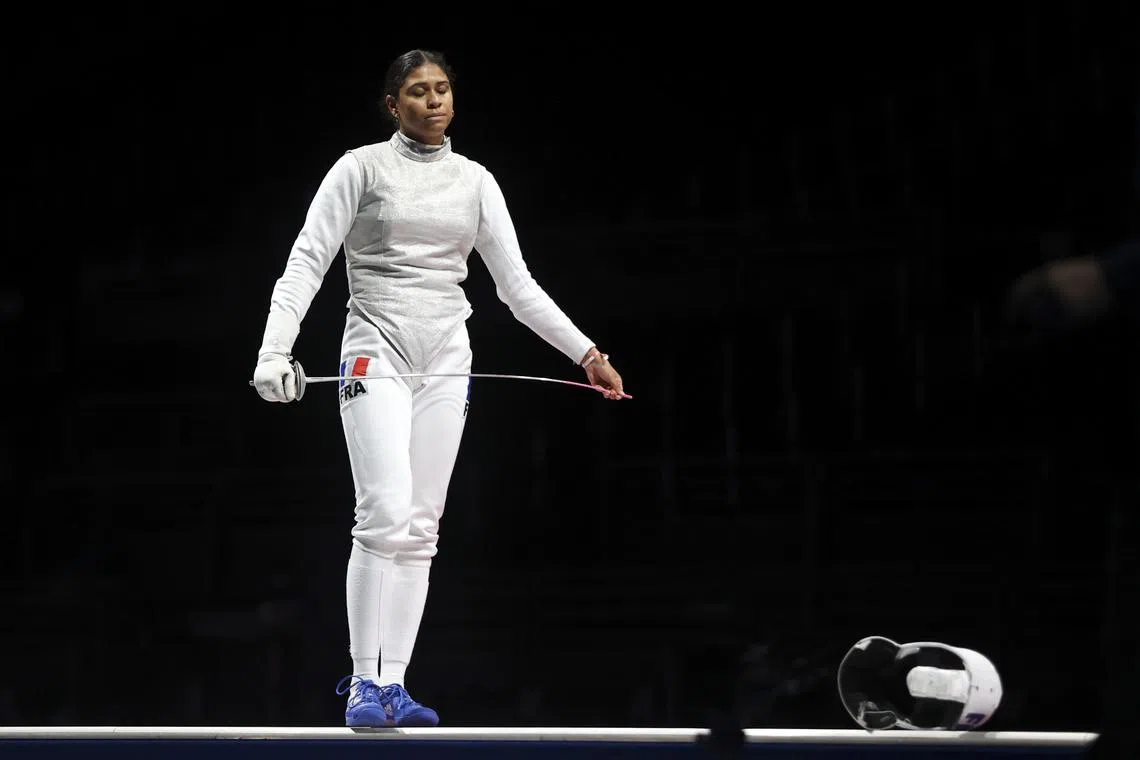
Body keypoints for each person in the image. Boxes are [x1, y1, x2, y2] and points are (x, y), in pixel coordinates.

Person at [250, 49, 627, 728]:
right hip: (375, 349)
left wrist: (587, 353)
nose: (434, 101)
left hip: (448, 355)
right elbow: (307, 259)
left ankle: (394, 684)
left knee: (421, 527)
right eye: (419, 91)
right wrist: (275, 350)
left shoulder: (475, 181)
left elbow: (517, 288)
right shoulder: (360, 169)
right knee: (384, 512)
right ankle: (363, 682)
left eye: (443, 89)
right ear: (392, 104)